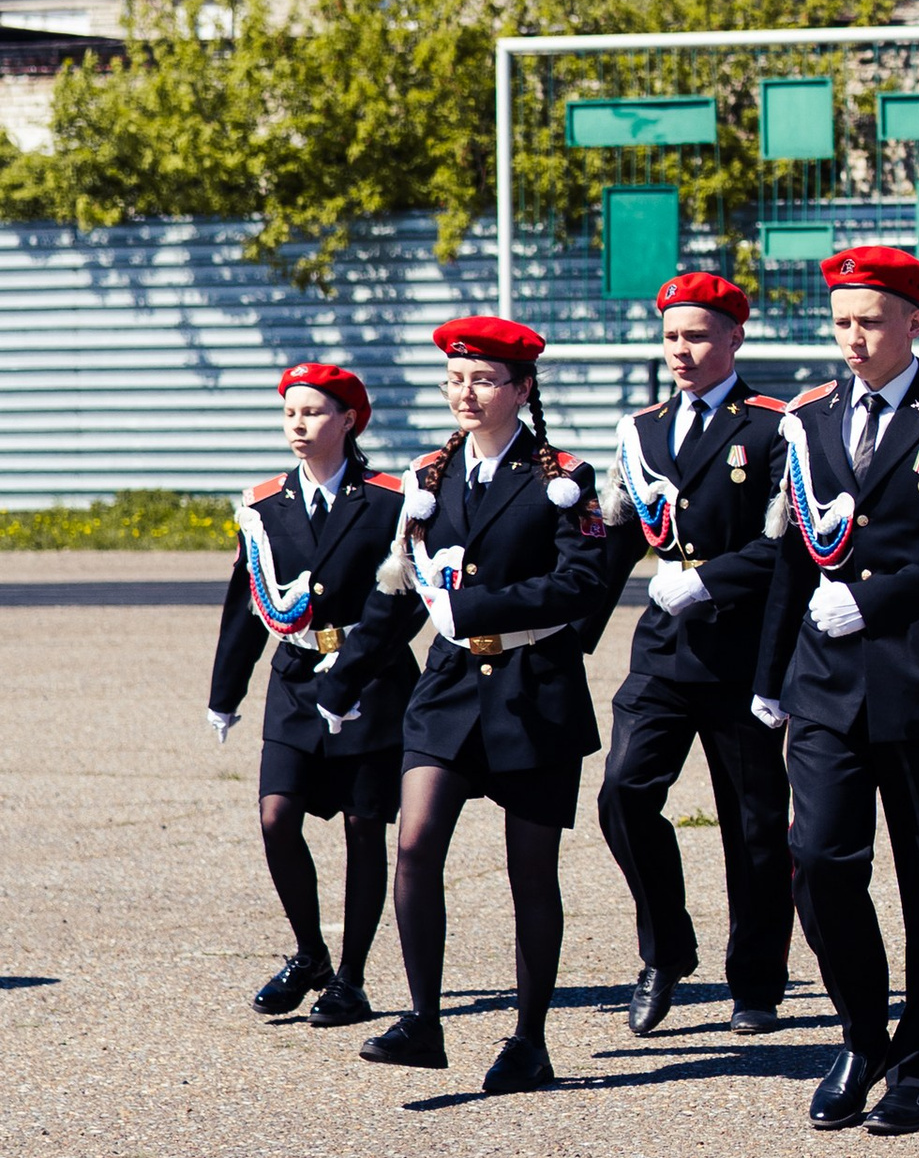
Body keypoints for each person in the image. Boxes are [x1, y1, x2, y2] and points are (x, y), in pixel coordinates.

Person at [313, 315, 609, 1096]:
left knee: (529, 873)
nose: (466, 393)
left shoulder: (565, 478)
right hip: (445, 692)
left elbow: (583, 583)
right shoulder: (430, 476)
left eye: (483, 380)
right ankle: (423, 1021)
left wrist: (475, 608)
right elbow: (404, 587)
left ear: (521, 388)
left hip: (532, 691)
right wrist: (341, 677)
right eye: (455, 379)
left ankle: (529, 1038)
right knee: (415, 847)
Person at [752, 242, 919, 1137]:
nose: (853, 340)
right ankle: (862, 1032)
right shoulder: (810, 417)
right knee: (819, 861)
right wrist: (769, 676)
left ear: (914, 323)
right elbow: (792, 549)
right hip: (824, 680)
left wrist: (874, 599)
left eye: (870, 323)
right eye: (841, 324)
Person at [589, 271, 796, 1036]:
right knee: (622, 794)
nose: (683, 349)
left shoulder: (774, 426)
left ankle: (756, 982)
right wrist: (567, 634)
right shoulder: (640, 430)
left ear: (735, 338)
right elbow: (614, 541)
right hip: (664, 653)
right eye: (673, 335)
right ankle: (665, 949)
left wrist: (709, 579)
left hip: (743, 654)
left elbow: (794, 549)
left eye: (699, 334)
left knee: (753, 824)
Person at [207, 362, 414, 1026]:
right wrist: (225, 691)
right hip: (297, 677)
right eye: (291, 413)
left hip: (372, 679)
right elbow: (246, 603)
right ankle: (310, 954)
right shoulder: (265, 503)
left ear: (349, 420)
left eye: (315, 412)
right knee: (275, 815)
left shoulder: (389, 498)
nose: (299, 425)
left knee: (363, 828)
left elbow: (406, 597)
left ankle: (350, 979)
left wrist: (356, 667)